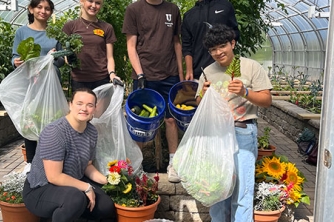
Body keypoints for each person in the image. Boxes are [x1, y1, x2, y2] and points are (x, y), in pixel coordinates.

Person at [196, 24, 272, 222]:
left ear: (233, 43)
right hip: (217, 136)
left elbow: (267, 100)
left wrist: (245, 92)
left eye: (222, 46)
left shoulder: (250, 67)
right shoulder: (207, 72)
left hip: (242, 131)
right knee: (218, 190)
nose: (218, 52)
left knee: (242, 192)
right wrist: (203, 94)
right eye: (213, 49)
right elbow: (198, 104)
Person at [23, 88, 116, 222]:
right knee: (75, 199)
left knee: (106, 207)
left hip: (71, 184)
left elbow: (87, 166)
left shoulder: (91, 132)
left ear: (94, 109)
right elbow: (54, 177)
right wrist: (87, 187)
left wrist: (108, 180)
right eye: (79, 103)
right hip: (41, 189)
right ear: (70, 105)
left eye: (90, 105)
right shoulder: (55, 132)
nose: (84, 108)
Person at [122, 0, 184, 183]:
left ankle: (173, 163)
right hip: (145, 75)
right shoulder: (134, 9)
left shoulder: (172, 9)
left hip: (170, 74)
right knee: (140, 123)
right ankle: (138, 165)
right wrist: (140, 74)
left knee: (171, 119)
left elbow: (176, 42)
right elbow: (131, 46)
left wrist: (180, 73)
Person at [11, 0, 65, 165]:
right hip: (31, 85)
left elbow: (62, 60)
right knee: (30, 122)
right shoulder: (22, 32)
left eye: (47, 8)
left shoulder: (55, 33)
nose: (43, 11)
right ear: (31, 9)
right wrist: (16, 61)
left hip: (51, 85)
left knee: (52, 121)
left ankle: (52, 162)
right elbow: (14, 56)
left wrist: (54, 58)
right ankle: (31, 165)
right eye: (39, 7)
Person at [62, 0, 122, 92]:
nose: (93, 5)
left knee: (101, 107)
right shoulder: (70, 26)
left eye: (97, 3)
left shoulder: (106, 28)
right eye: (90, 1)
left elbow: (109, 57)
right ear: (82, 2)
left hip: (101, 79)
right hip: (79, 80)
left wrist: (112, 74)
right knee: (83, 106)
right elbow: (66, 54)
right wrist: (69, 60)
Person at [182, 0, 240, 81]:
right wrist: (189, 71)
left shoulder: (225, 6)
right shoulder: (188, 15)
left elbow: (235, 33)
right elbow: (186, 46)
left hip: (226, 70)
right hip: (200, 72)